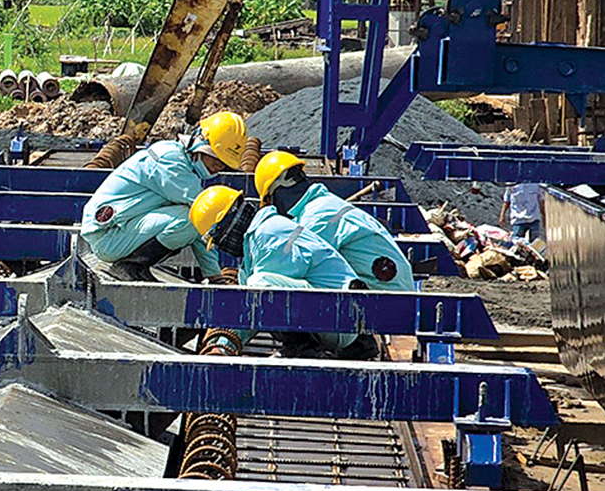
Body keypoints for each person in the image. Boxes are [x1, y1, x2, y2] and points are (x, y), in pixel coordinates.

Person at [191, 185, 372, 356]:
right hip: (331, 315)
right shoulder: (256, 246)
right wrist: (224, 344)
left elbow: (256, 302)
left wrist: (225, 342)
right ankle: (301, 348)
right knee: (256, 285)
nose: (222, 246)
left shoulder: (270, 234)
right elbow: (252, 309)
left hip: (341, 320)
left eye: (218, 238)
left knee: (259, 285)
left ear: (229, 224)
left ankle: (303, 351)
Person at [78, 111, 248, 281]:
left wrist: (214, 276)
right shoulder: (172, 165)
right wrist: (215, 274)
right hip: (110, 237)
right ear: (201, 146)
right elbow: (203, 222)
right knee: (190, 220)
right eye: (216, 160)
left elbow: (201, 229)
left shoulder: (178, 159)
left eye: (223, 165)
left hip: (117, 232)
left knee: (192, 219)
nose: (218, 168)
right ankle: (130, 267)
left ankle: (134, 266)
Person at [256, 150, 414, 291]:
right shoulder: (323, 205)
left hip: (382, 303)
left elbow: (295, 268)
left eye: (270, 201)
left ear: (277, 191)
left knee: (261, 282)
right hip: (388, 295)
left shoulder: (317, 217)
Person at [508, 179, 546, 245]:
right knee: (517, 243)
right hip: (518, 219)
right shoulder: (512, 185)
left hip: (534, 218)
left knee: (534, 243)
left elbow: (541, 201)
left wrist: (544, 216)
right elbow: (506, 200)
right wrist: (502, 215)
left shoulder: (536, 185)